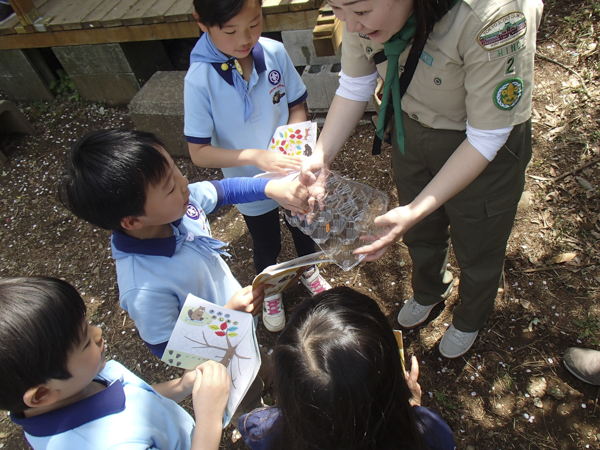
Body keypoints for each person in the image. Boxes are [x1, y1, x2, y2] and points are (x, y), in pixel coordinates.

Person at [300, 0, 544, 358]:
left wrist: (413, 209)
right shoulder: (359, 14)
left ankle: (470, 316)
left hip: (480, 143)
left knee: (478, 241)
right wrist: (319, 160)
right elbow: (355, 84)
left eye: (362, 13)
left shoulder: (492, 16)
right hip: (411, 127)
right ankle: (430, 290)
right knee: (421, 231)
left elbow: (487, 137)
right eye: (338, 10)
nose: (351, 26)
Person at [59, 129, 309, 357]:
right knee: (244, 383)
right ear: (133, 221)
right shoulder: (143, 289)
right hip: (218, 356)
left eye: (175, 169)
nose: (184, 182)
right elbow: (167, 347)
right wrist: (228, 316)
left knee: (254, 354)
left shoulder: (180, 206)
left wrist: (272, 188)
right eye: (169, 188)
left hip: (239, 319)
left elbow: (225, 190)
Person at [184, 0, 331, 333]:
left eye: (254, 23)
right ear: (202, 23)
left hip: (291, 171)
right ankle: (272, 287)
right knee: (266, 242)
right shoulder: (199, 80)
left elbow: (296, 106)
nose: (245, 39)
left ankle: (308, 271)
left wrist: (295, 148)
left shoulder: (274, 52)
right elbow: (199, 152)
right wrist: (255, 156)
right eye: (231, 30)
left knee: (301, 225)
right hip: (248, 183)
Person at [1, 276, 230, 450]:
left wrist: (182, 386)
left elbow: (136, 397)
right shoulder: (117, 444)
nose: (98, 332)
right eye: (84, 342)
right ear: (42, 394)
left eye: (88, 324)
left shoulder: (79, 383)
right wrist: (209, 420)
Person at [238, 287, 455, 450]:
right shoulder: (431, 432)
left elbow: (247, 426)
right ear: (391, 379)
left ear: (287, 390)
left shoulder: (263, 430)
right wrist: (412, 404)